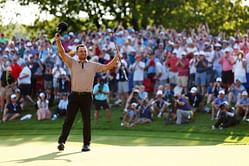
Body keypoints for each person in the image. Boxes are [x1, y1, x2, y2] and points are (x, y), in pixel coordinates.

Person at [55, 33, 120, 152]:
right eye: (81, 51)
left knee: (86, 121)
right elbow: (62, 53)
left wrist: (116, 59)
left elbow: (107, 67)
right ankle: (62, 142)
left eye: (84, 51)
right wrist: (58, 41)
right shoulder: (72, 63)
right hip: (74, 95)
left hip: (87, 96)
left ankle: (86, 144)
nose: (83, 53)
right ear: (76, 53)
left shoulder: (93, 65)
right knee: (69, 119)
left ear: (87, 53)